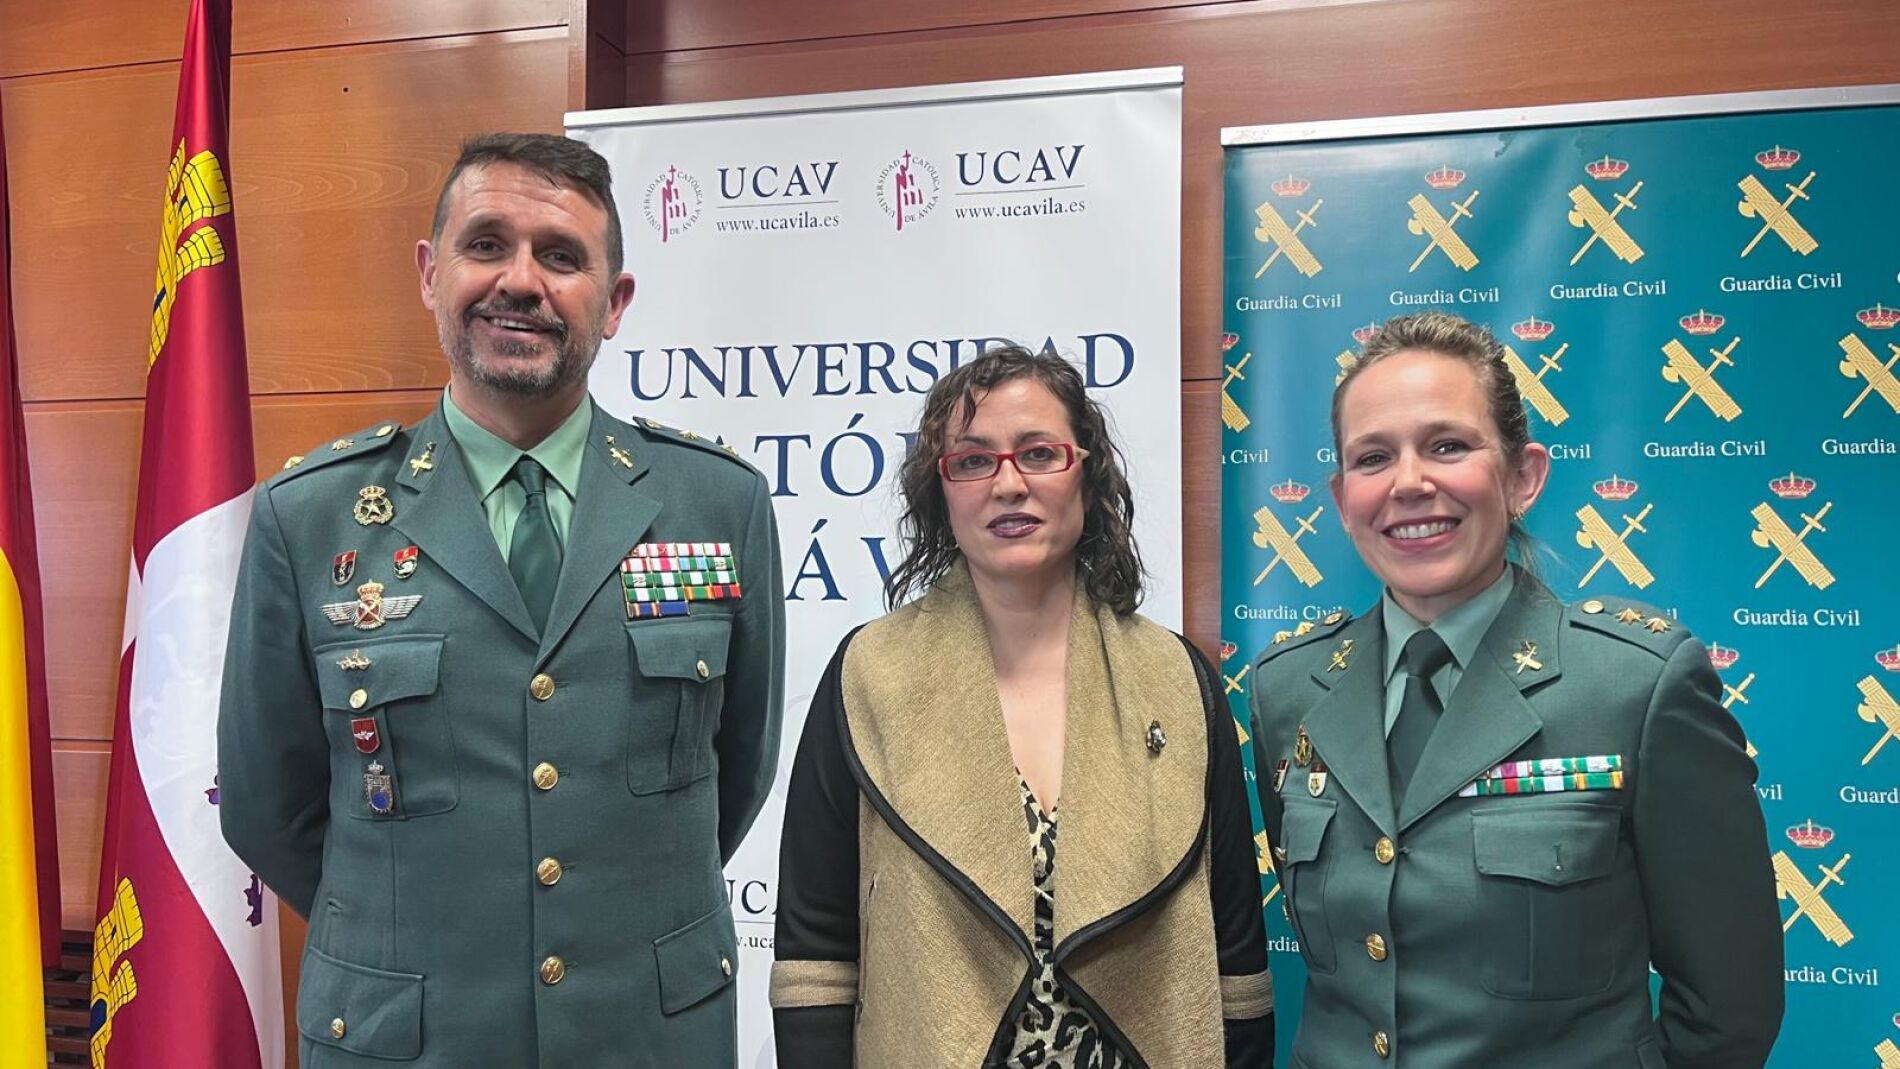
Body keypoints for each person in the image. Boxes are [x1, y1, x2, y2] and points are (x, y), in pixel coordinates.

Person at [217, 133, 783, 1066]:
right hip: (409, 1037)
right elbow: (264, 803)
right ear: (430, 274)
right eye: (486, 245)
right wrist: (425, 926)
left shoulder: (717, 504)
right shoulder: (309, 518)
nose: (521, 280)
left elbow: (738, 770)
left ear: (614, 303)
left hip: (646, 1034)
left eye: (561, 256)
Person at [1248, 311, 1783, 1069]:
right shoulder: (1287, 690)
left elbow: (1729, 1011)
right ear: (1341, 498)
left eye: (1447, 445)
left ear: (1522, 476)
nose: (1409, 482)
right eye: (1373, 457)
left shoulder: (1637, 686)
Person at [770, 344, 1273, 1068]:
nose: (1008, 484)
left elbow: (1237, 963)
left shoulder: (1176, 679)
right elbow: (816, 956)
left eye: (1039, 454)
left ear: (1087, 475)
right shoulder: (868, 676)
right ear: (941, 491)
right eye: (974, 460)